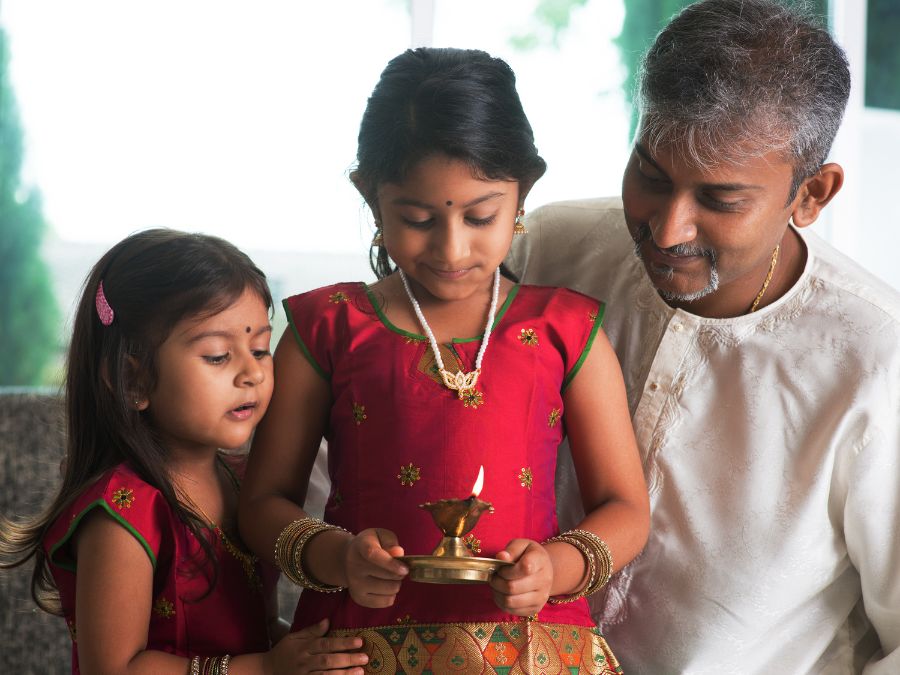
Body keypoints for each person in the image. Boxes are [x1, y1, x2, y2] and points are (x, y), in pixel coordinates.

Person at [506, 0, 900, 672]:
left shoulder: (876, 362)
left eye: (719, 200)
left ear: (813, 194)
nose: (666, 229)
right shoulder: (546, 253)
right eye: (650, 177)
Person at [239, 47, 650, 673]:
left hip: (533, 646)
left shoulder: (565, 329)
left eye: (481, 216)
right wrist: (337, 557)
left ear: (523, 194)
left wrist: (556, 568)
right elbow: (262, 503)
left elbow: (625, 507)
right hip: (360, 649)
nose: (451, 248)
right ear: (371, 199)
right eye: (417, 218)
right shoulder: (326, 329)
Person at [0, 229, 370, 674]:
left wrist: (309, 652)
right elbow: (116, 669)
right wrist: (269, 669)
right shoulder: (123, 510)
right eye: (217, 355)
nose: (252, 372)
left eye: (259, 348)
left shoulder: (244, 484)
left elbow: (254, 628)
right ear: (132, 380)